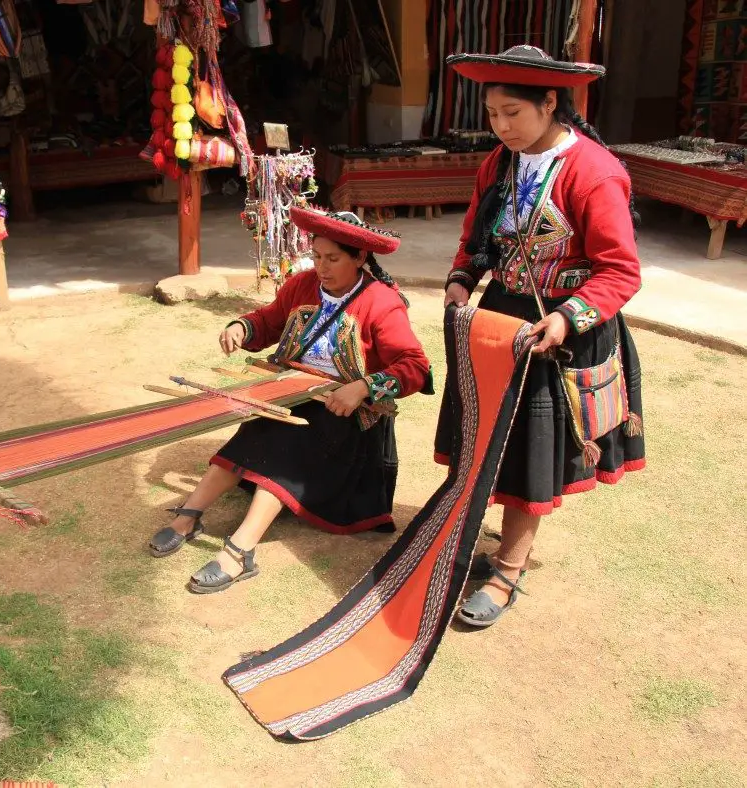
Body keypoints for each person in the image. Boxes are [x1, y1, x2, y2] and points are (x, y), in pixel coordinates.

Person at [437, 45, 646, 627]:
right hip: (503, 321)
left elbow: (621, 270)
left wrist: (567, 318)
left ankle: (508, 568)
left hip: (562, 326)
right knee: (487, 434)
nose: (501, 127)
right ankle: (489, 537)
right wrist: (462, 279)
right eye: (492, 114)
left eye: (513, 113)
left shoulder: (595, 172)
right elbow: (477, 234)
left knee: (528, 446)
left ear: (549, 103)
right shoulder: (498, 163)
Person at [149, 207, 433, 594]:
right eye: (316, 257)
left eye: (333, 259)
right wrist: (241, 326)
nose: (322, 268)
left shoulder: (382, 303)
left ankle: (240, 549)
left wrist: (363, 387)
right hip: (291, 393)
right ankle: (189, 514)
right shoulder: (301, 287)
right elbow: (269, 320)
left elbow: (415, 365)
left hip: (345, 412)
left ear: (360, 257)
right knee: (256, 431)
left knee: (288, 445)